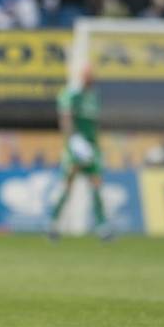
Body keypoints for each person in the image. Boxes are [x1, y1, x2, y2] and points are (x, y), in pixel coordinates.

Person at [48, 64, 112, 240]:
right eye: (87, 75)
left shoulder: (94, 96)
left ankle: (102, 227)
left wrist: (97, 145)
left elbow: (95, 123)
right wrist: (73, 141)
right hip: (76, 146)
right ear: (81, 76)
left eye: (92, 74)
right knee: (68, 184)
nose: (90, 78)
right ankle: (53, 224)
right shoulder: (71, 94)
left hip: (92, 148)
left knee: (96, 184)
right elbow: (66, 118)